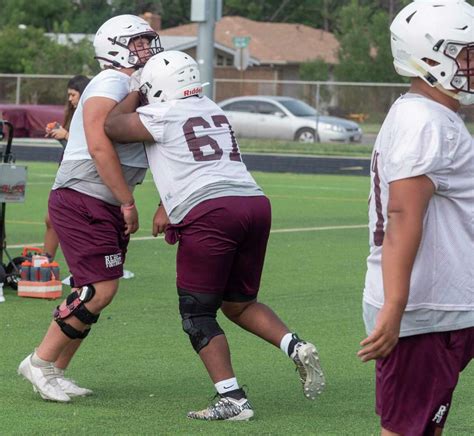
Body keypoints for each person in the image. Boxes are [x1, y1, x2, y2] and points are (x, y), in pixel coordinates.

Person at [104, 50, 325, 421]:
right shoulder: (211, 107)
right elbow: (187, 158)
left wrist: (131, 86)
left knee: (197, 312)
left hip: (211, 212)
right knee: (238, 303)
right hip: (253, 203)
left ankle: (233, 399)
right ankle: (294, 345)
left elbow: (112, 125)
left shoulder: (161, 112)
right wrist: (166, 204)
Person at [18, 14, 163, 403]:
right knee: (100, 289)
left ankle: (55, 368)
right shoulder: (112, 80)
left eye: (148, 41)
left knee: (96, 290)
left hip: (101, 197)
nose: (147, 49)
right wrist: (127, 201)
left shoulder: (133, 83)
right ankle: (39, 360)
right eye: (138, 42)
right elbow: (99, 144)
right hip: (85, 195)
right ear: (115, 46)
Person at [358, 1, 474, 435]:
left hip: (439, 308)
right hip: (426, 309)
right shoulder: (427, 122)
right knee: (408, 430)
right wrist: (395, 305)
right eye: (466, 52)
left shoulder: (429, 114)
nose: (472, 63)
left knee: (423, 426)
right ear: (429, 57)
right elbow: (404, 213)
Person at [43, 75, 90, 260]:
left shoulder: (92, 112)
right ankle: (46, 263)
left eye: (73, 94)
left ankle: (87, 268)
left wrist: (67, 135)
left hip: (84, 178)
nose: (70, 99)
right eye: (68, 95)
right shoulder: (75, 115)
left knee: (66, 222)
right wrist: (61, 135)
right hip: (68, 174)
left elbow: (91, 146)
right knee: (51, 219)